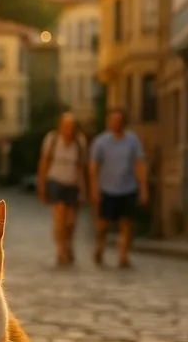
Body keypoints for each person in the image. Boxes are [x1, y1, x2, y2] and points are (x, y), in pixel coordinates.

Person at [89, 108, 148, 268]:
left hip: (128, 187)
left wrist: (143, 188)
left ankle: (123, 255)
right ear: (109, 122)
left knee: (126, 223)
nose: (116, 123)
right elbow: (94, 167)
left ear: (124, 122)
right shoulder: (100, 142)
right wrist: (94, 189)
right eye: (113, 120)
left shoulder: (132, 141)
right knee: (103, 225)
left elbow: (139, 164)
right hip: (107, 188)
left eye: (119, 120)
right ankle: (100, 248)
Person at [37, 111, 88, 266]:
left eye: (71, 126)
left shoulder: (80, 141)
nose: (68, 129)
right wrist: (42, 186)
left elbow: (80, 167)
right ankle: (61, 250)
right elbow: (44, 163)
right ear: (60, 126)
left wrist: (83, 188)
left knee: (71, 222)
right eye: (66, 125)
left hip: (72, 183)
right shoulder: (52, 140)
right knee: (59, 219)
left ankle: (69, 244)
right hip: (56, 181)